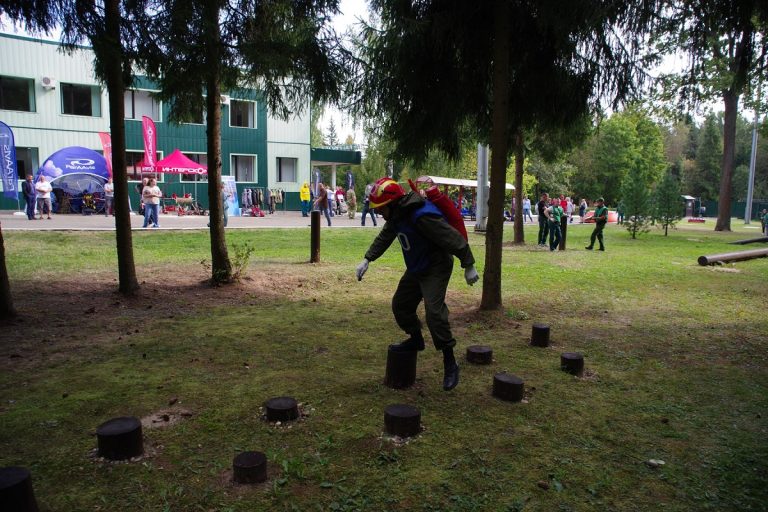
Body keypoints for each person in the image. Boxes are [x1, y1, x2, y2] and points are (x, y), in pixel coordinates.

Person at [355, 177, 479, 391]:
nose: (378, 213)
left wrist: (468, 264)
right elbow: (385, 237)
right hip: (417, 266)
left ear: (392, 204)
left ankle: (450, 361)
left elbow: (451, 237)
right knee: (401, 305)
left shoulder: (420, 216)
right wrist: (368, 259)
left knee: (434, 313)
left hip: (436, 266)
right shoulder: (397, 216)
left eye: (380, 208)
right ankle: (415, 339)